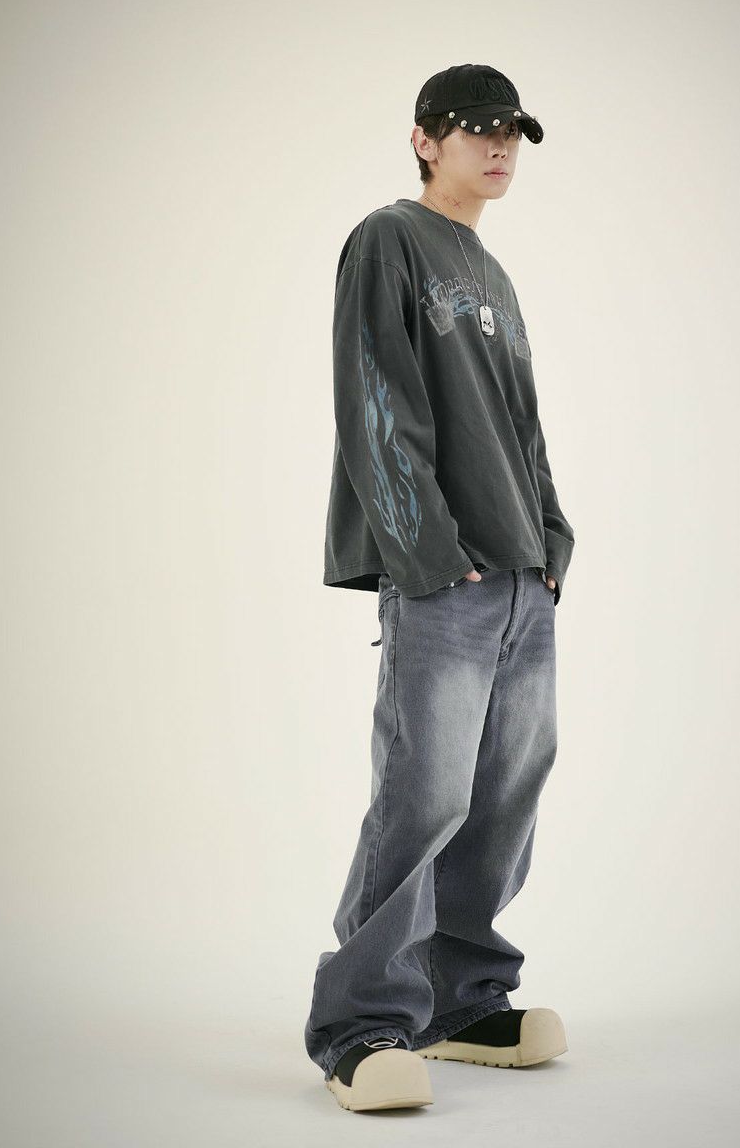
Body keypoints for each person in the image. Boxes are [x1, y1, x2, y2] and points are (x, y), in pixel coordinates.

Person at [304, 63, 575, 1113]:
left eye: (512, 131)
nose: (498, 145)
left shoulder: (490, 271)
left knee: (504, 794)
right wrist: (427, 552)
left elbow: (522, 426)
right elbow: (374, 397)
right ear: (425, 139)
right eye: (477, 128)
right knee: (426, 796)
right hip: (445, 576)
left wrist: (550, 544)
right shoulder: (390, 240)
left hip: (520, 578)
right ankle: (359, 1025)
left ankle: (461, 1001)